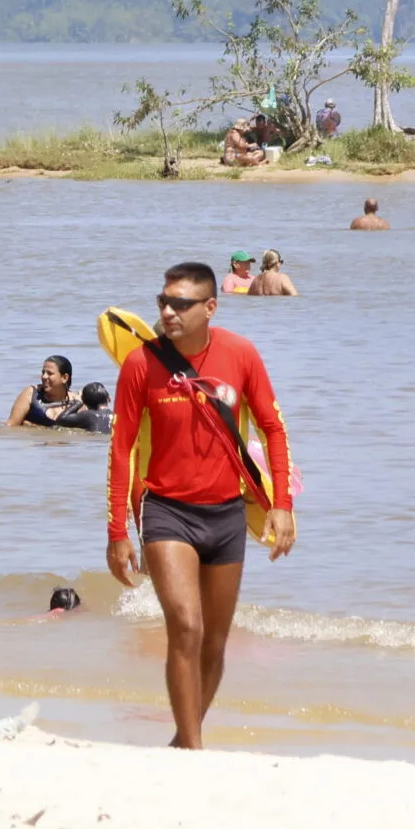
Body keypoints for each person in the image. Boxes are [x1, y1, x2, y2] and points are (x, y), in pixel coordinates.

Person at [106, 261, 295, 750]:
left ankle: (182, 738)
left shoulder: (240, 354)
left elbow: (273, 428)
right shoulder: (140, 365)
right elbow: (122, 448)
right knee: (186, 627)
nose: (168, 312)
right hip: (166, 510)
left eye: (181, 304)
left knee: (214, 641)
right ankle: (193, 748)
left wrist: (282, 503)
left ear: (210, 307)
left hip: (227, 513)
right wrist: (117, 530)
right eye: (163, 302)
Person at [7, 355, 81, 428]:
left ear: (65, 378)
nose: (44, 377)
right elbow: (10, 427)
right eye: (43, 372)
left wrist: (36, 427)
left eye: (50, 373)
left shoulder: (76, 401)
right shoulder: (31, 394)